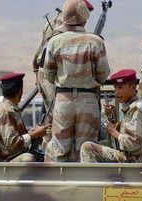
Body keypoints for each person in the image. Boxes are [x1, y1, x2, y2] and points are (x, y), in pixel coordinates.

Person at [43, 0, 110, 162]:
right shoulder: (95, 41)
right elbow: (103, 74)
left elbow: (49, 74)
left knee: (59, 149)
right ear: (85, 18)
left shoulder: (54, 41)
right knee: (86, 149)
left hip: (63, 101)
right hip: (88, 100)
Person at [32, 0, 94, 149]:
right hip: (54, 74)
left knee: (51, 114)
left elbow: (38, 55)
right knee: (56, 119)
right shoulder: (65, 25)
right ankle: (51, 150)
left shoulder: (54, 21)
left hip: (44, 71)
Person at [80, 69, 142, 163]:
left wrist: (113, 131)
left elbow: (132, 144)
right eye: (115, 88)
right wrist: (114, 120)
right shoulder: (133, 106)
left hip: (135, 159)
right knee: (101, 144)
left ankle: (91, 177)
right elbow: (129, 133)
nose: (117, 92)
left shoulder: (138, 108)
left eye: (120, 87)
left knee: (87, 147)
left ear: (133, 88)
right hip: (135, 156)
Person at [0, 72, 47, 162]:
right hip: (8, 161)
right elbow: (12, 143)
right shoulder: (6, 111)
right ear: (20, 90)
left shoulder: (11, 109)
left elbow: (15, 135)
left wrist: (33, 133)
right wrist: (34, 135)